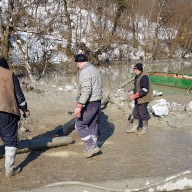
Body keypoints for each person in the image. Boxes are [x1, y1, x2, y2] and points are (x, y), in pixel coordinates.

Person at [0, 57, 30, 177]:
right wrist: (25, 109)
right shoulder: (9, 75)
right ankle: (9, 170)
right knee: (10, 140)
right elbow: (19, 95)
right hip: (7, 111)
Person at [74, 53, 102, 158]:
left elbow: (86, 90)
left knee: (79, 125)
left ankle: (91, 146)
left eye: (77, 63)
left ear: (80, 62)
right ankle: (93, 144)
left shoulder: (85, 72)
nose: (77, 66)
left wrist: (80, 105)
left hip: (90, 103)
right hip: (97, 101)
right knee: (92, 124)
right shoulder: (94, 69)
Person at [126, 63, 152, 135]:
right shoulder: (137, 76)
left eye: (136, 69)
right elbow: (136, 87)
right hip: (138, 98)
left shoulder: (144, 77)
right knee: (135, 113)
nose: (135, 71)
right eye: (134, 69)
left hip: (144, 98)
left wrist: (135, 96)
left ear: (140, 69)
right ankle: (134, 128)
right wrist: (132, 92)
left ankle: (144, 130)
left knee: (143, 113)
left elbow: (145, 89)